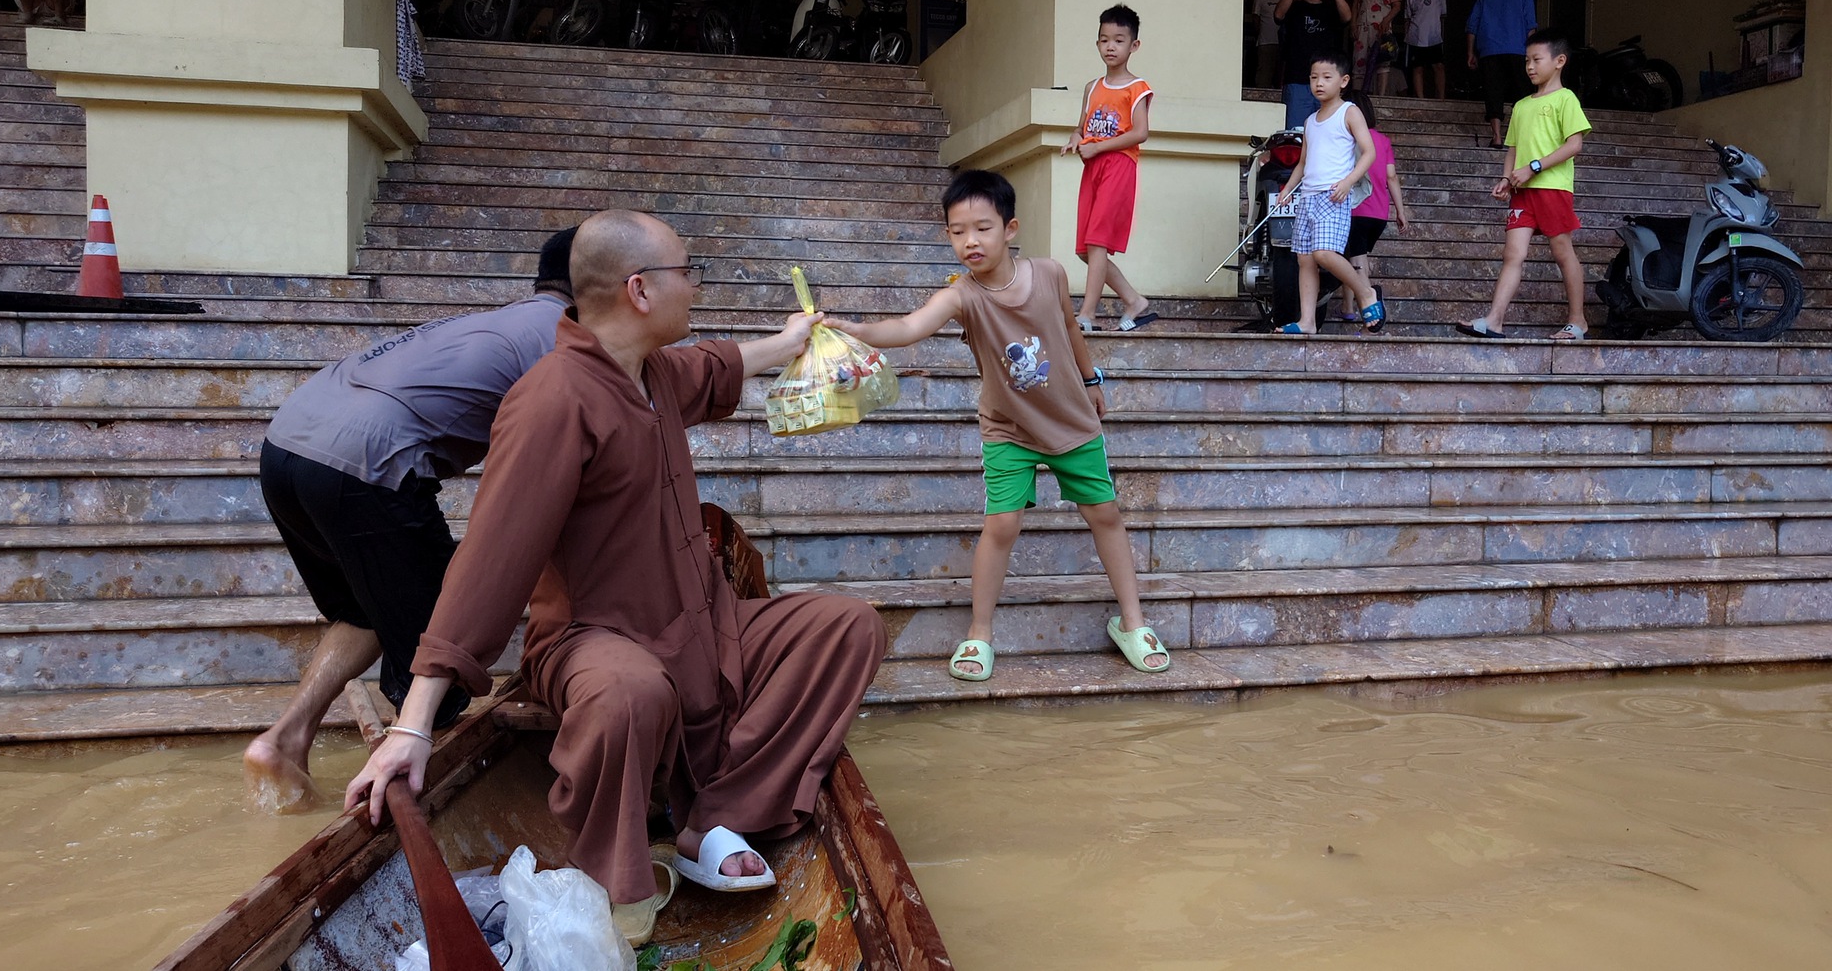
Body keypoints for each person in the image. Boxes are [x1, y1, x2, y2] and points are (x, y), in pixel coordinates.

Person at [346, 210, 886, 911]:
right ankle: (613, 888)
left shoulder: (652, 371)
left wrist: (790, 341)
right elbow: (487, 566)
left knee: (848, 627)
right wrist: (413, 726)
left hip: (702, 621)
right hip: (594, 638)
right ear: (640, 289)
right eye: (686, 272)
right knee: (631, 691)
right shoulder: (553, 399)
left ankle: (717, 817)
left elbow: (719, 363)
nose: (694, 287)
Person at [243, 227, 580, 811]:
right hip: (363, 467)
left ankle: (286, 738)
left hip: (287, 448)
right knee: (438, 656)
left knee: (366, 608)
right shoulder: (563, 339)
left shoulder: (504, 321)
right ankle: (407, 793)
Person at [825, 170, 1170, 684]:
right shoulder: (962, 296)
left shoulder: (1050, 273)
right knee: (1001, 525)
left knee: (1105, 514)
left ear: (1010, 229)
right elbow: (907, 327)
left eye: (982, 228)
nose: (971, 241)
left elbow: (1070, 327)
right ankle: (980, 632)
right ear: (948, 236)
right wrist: (856, 329)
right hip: (1007, 427)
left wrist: (1091, 375)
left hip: (1072, 419)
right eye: (958, 231)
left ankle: (1133, 623)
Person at [1457, 29, 1593, 341]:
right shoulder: (1520, 105)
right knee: (1512, 255)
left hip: (1553, 188)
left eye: (1536, 60)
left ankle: (1578, 321)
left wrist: (1534, 168)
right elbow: (1513, 149)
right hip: (1522, 193)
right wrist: (1507, 178)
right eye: (1527, 60)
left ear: (1559, 61)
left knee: (1562, 252)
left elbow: (1574, 145)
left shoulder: (1565, 98)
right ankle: (1495, 320)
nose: (1530, 66)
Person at [1060, 3, 1160, 332]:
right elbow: (1081, 127)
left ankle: (1087, 314)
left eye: (1118, 40)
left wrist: (1098, 146)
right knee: (1087, 249)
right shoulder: (1092, 87)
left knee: (1098, 242)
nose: (1110, 47)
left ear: (1134, 46)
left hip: (1119, 166)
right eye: (1104, 40)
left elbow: (1140, 132)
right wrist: (1076, 139)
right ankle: (1134, 301)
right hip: (1092, 168)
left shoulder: (1137, 88)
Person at [1273, 51, 1382, 335]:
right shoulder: (1310, 121)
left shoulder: (1350, 112)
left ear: (1343, 81)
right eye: (1313, 77)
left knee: (1323, 253)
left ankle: (1365, 291)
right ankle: (1307, 321)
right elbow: (1303, 162)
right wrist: (1288, 189)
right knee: (1304, 258)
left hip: (1333, 196)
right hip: (1308, 197)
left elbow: (1369, 152)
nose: (1318, 83)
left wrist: (1348, 182)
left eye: (1326, 77)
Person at [1335, 92, 1410, 323]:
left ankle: (1372, 302)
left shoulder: (1347, 138)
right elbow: (1391, 176)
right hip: (1378, 214)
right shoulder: (1383, 141)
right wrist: (1400, 211)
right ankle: (1348, 307)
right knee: (1352, 257)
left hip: (1355, 209)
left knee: (1357, 263)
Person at [1465, 0, 1538, 146]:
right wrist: (1533, 54)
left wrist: (1470, 53)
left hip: (1490, 51)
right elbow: (1531, 26)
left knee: (1493, 92)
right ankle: (1519, 136)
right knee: (1522, 93)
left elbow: (1471, 28)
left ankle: (1497, 137)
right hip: (1519, 50)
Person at [1274, 0, 1352, 130]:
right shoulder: (1295, 7)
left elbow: (1347, 18)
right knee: (1295, 134)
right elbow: (1278, 15)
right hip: (1297, 79)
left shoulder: (1331, 9)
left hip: (1328, 81)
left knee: (1327, 133)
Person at [1351, 0, 1402, 87]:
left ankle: (1381, 97)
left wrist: (1386, 20)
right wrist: (1353, 23)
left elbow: (1397, 5)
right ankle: (1357, 95)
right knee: (1359, 60)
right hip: (1363, 25)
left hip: (1381, 27)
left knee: (1383, 60)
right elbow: (1356, 3)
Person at [1403, 0, 1449, 99]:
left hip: (1434, 38)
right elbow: (1407, 19)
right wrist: (1407, 39)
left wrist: (1440, 35)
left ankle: (1440, 97)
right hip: (1416, 38)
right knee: (1418, 68)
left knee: (1439, 67)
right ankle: (1420, 97)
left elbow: (1442, 15)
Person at [1250, 0, 1291, 88]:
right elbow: (1255, 17)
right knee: (1263, 78)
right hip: (1265, 43)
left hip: (1286, 44)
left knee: (1283, 78)